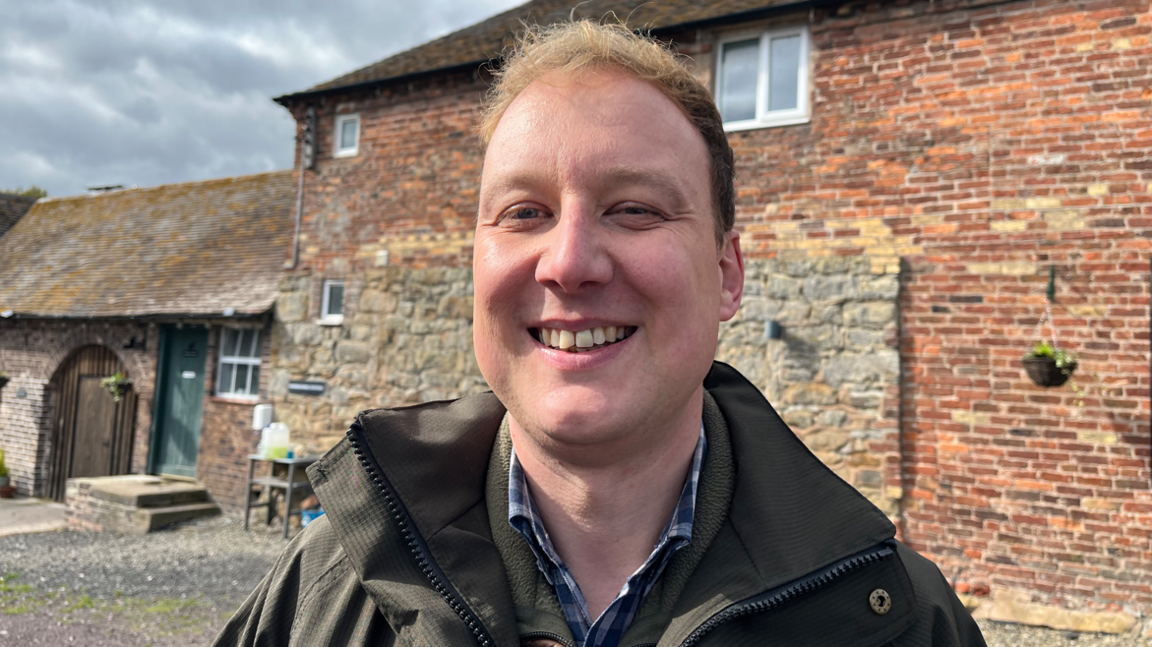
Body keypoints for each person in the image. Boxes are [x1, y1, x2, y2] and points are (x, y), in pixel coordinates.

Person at [213, 20, 985, 647]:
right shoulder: (323, 592)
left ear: (727, 273)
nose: (570, 261)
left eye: (635, 209)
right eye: (525, 213)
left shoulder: (900, 620)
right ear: (476, 265)